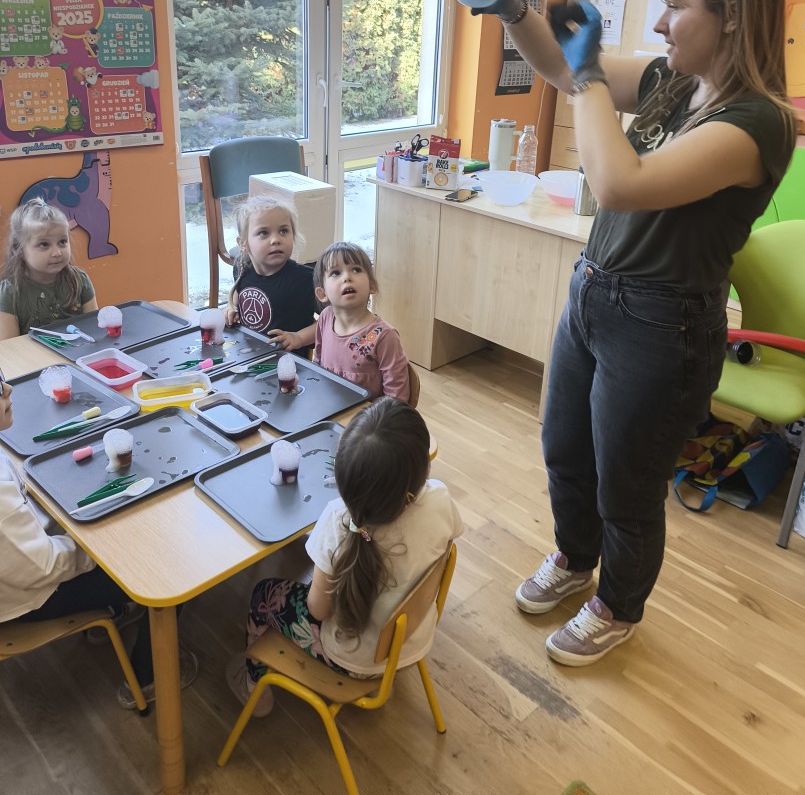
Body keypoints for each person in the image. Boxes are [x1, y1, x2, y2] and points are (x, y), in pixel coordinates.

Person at [463, 0, 796, 665]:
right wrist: (514, 7)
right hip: (593, 293)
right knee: (564, 451)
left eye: (675, 5)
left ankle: (617, 605)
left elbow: (620, 183)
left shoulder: (758, 122)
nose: (658, 22)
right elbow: (561, 69)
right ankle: (575, 558)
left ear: (732, 14)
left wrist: (586, 74)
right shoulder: (672, 81)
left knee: (628, 485)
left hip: (662, 327)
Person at [226, 396, 463, 714]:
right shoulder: (439, 498)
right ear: (422, 468)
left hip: (350, 660)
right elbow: (449, 539)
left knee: (262, 594)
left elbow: (318, 609)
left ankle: (254, 688)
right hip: (412, 641)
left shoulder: (337, 520)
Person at [0, 366, 198, 707]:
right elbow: (42, 567)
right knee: (170, 563)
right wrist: (101, 547)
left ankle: (114, 609)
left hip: (22, 571)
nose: (8, 390)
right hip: (30, 596)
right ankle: (149, 676)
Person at [312, 242, 410, 401]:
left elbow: (396, 398)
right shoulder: (325, 318)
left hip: (367, 415)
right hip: (328, 406)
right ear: (322, 294)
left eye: (356, 270)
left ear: (372, 286)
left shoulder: (384, 336)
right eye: (336, 273)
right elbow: (317, 364)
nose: (347, 277)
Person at [225, 195, 317, 357]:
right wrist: (231, 307)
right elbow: (239, 292)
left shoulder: (305, 279)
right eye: (263, 233)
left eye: (283, 231)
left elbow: (336, 320)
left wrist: (299, 338)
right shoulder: (241, 266)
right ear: (243, 243)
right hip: (248, 357)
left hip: (289, 364)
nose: (275, 239)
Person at [0, 199, 98, 340]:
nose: (57, 252)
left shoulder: (80, 280)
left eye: (62, 242)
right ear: (19, 250)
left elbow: (94, 331)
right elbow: (9, 348)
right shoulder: (9, 293)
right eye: (44, 244)